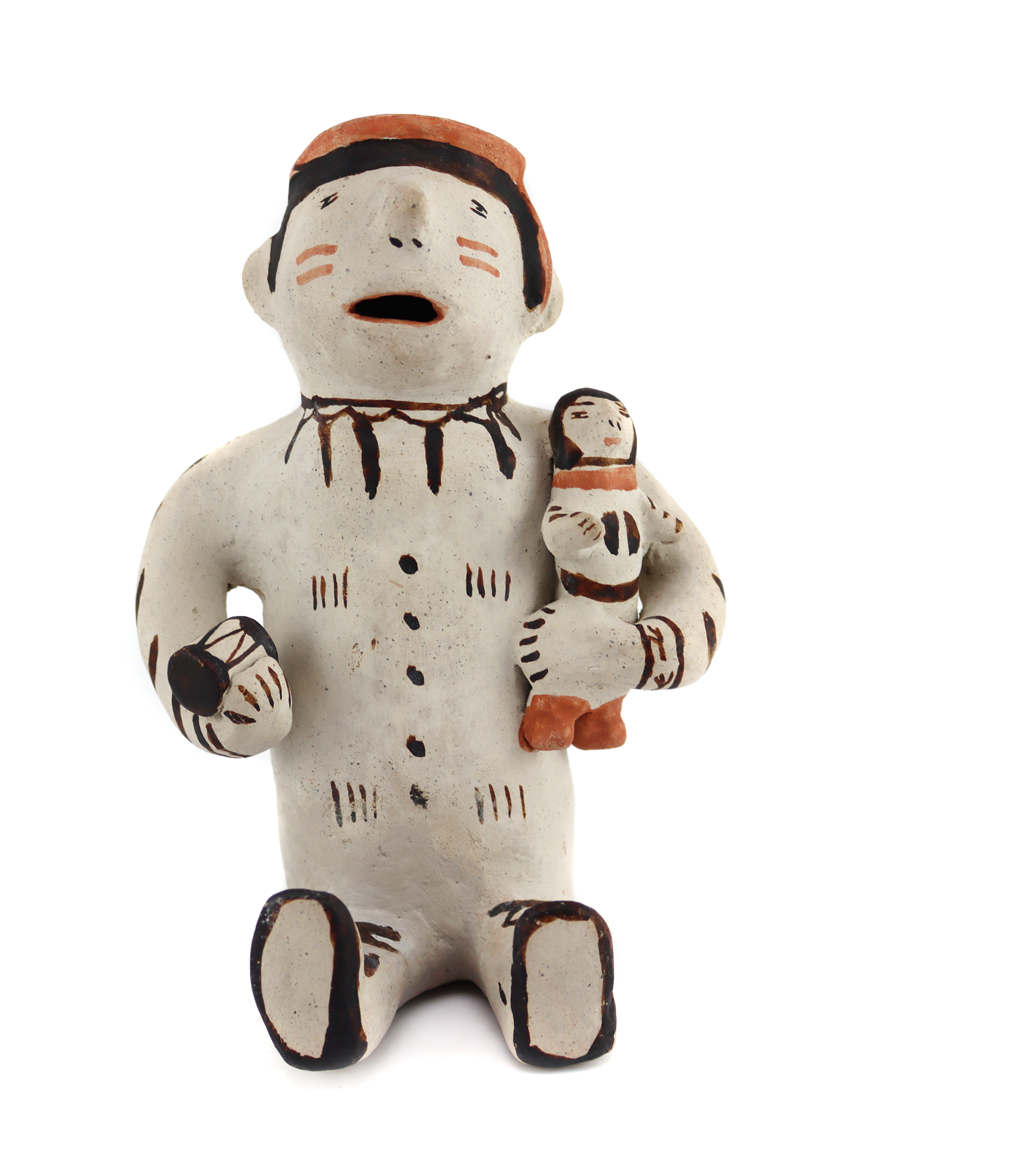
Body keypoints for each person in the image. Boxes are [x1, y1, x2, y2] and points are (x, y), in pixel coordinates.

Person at [135, 115, 725, 1069]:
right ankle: (350, 955)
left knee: (521, 895)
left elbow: (692, 572)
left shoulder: (574, 453)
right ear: (265, 283)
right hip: (339, 840)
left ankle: (526, 935)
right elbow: (174, 614)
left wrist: (637, 649)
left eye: (471, 222)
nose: (406, 223)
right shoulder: (233, 487)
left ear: (539, 299)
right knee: (348, 912)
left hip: (517, 826)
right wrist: (215, 695)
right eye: (338, 208)